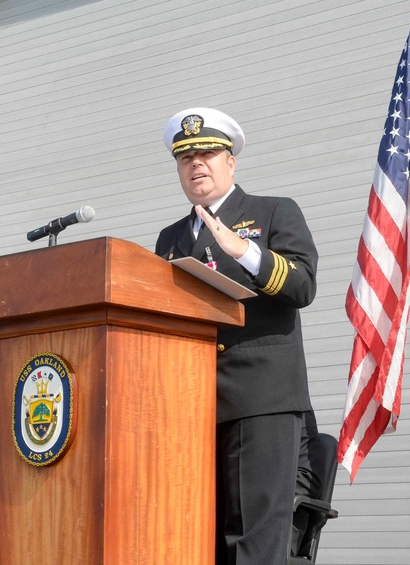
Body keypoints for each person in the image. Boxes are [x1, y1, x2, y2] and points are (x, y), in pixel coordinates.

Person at [155, 107, 319, 565]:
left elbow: (303, 285)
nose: (196, 164)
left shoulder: (273, 211)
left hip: (259, 397)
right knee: (193, 533)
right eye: (185, 158)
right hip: (192, 400)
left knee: (252, 541)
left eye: (207, 153)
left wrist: (244, 251)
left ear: (231, 161)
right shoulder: (169, 237)